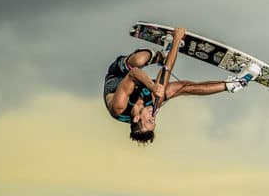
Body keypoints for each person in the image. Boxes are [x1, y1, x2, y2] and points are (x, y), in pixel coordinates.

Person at [103, 25, 260, 144]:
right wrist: (177, 40)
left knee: (139, 60)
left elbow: (134, 73)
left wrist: (152, 87)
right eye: (154, 122)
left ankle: (161, 55)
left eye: (150, 120)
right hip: (145, 87)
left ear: (137, 119)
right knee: (182, 87)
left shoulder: (119, 107)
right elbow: (166, 71)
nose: (154, 116)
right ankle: (235, 83)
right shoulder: (153, 107)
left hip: (121, 73)